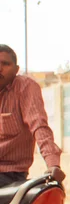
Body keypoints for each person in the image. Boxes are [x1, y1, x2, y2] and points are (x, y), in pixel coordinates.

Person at [0, 44, 65, 187]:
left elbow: (39, 126)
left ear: (16, 69)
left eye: (5, 64)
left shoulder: (24, 88)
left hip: (10, 175)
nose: (0, 68)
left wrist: (53, 164)